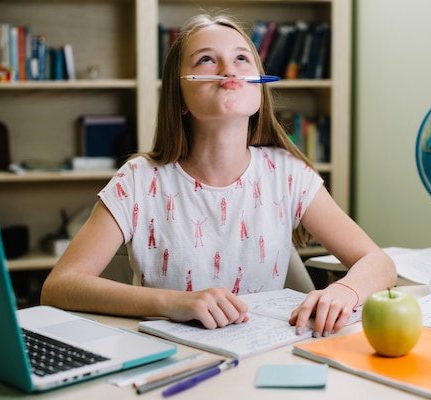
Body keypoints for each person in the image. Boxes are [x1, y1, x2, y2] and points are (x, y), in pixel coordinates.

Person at [41, 13, 396, 338]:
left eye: (242, 58)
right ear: (179, 98)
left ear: (258, 86)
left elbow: (378, 262)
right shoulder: (137, 181)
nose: (230, 69)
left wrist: (344, 290)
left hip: (263, 357)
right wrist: (172, 303)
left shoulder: (288, 174)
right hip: (169, 361)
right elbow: (60, 286)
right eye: (207, 59)